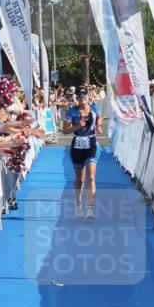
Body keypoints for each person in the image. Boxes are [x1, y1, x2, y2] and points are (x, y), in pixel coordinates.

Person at [63, 86, 101, 219]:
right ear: (77, 98)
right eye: (79, 97)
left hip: (91, 143)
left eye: (84, 97)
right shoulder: (71, 112)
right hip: (77, 145)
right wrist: (79, 126)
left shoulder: (95, 109)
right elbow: (65, 131)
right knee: (80, 179)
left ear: (88, 97)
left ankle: (90, 210)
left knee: (91, 177)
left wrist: (99, 127)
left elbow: (99, 122)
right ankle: (78, 204)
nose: (82, 99)